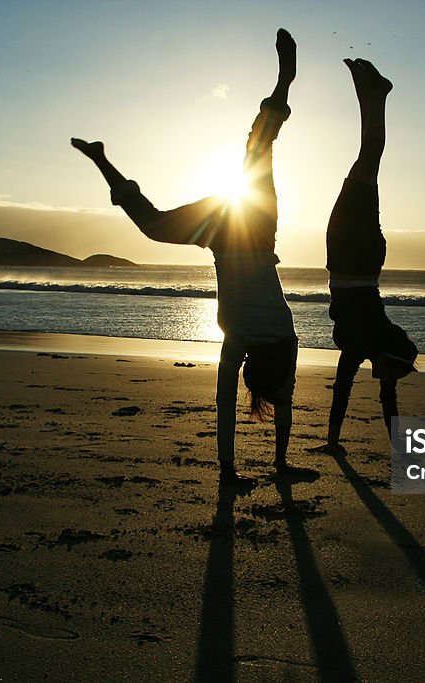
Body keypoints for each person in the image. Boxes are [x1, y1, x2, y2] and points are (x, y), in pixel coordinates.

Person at [72, 29, 313, 487]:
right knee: (160, 222)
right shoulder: (240, 336)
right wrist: (238, 468)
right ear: (250, 367)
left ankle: (284, 82)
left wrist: (263, 464)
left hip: (249, 226)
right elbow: (231, 403)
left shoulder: (283, 338)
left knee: (256, 148)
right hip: (234, 230)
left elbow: (280, 401)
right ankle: (102, 161)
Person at [309, 58, 418, 458]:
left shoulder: (369, 345)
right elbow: (368, 397)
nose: (390, 382)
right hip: (354, 255)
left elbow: (348, 393)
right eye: (394, 373)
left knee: (365, 163)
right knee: (366, 162)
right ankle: (377, 95)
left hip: (354, 255)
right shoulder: (367, 339)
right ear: (389, 359)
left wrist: (333, 443)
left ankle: (369, 93)